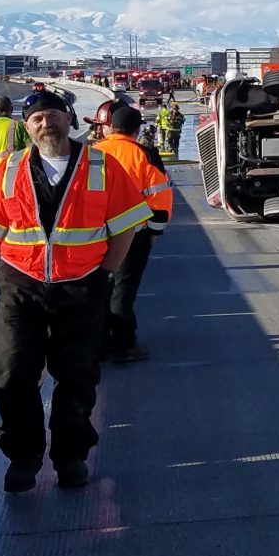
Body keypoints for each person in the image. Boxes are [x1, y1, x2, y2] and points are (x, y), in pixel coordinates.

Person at [0, 88, 154, 493]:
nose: (46, 123)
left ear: (70, 119)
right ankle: (24, 458)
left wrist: (105, 273)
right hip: (20, 287)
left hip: (81, 288)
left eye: (53, 115)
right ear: (26, 127)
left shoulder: (102, 165)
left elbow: (127, 225)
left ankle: (70, 457)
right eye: (36, 118)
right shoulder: (8, 170)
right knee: (10, 375)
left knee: (77, 377)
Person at [93, 103, 171, 365]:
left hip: (92, 235)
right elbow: (160, 197)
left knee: (98, 287)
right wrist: (154, 232)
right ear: (137, 130)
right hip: (133, 234)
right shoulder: (144, 154)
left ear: (110, 127)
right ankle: (123, 345)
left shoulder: (91, 153)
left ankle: (99, 343)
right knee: (123, 289)